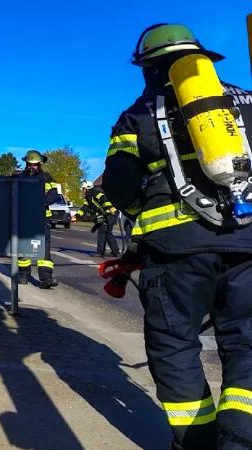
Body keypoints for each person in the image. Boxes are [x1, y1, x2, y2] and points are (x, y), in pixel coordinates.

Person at [102, 23, 252, 450]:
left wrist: (142, 218)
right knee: (247, 344)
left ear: (148, 68)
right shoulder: (244, 103)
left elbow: (118, 186)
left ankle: (196, 442)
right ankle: (240, 441)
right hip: (248, 246)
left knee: (175, 346)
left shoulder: (137, 115)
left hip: (175, 253)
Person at [15, 150, 61, 289]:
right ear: (26, 164)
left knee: (44, 249)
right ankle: (23, 275)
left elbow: (54, 195)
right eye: (30, 164)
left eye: (35, 165)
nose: (32, 167)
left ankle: (46, 279)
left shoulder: (47, 178)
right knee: (24, 247)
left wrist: (41, 202)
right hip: (24, 219)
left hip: (41, 219)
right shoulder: (20, 178)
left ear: (40, 165)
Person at [74, 180, 120, 257]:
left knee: (102, 231)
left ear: (87, 189)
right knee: (107, 232)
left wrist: (110, 208)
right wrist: (77, 216)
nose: (82, 191)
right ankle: (115, 252)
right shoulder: (89, 197)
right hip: (105, 214)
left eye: (83, 189)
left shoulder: (96, 193)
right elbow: (84, 208)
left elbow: (104, 201)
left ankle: (100, 252)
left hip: (110, 213)